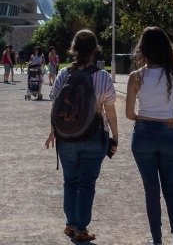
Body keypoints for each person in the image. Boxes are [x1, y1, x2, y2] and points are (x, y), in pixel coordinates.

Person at [45, 30, 118, 242]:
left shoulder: (63, 74)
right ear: (95, 49)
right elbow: (110, 110)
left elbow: (55, 105)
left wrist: (53, 132)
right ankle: (81, 228)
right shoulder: (102, 76)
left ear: (74, 49)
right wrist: (115, 136)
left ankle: (70, 224)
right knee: (87, 184)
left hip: (66, 137)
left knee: (70, 181)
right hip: (94, 137)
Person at [125, 27, 173, 245]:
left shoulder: (136, 76)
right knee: (171, 190)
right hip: (169, 133)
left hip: (142, 134)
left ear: (142, 49)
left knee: (151, 191)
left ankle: (157, 240)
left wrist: (145, 117)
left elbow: (129, 113)